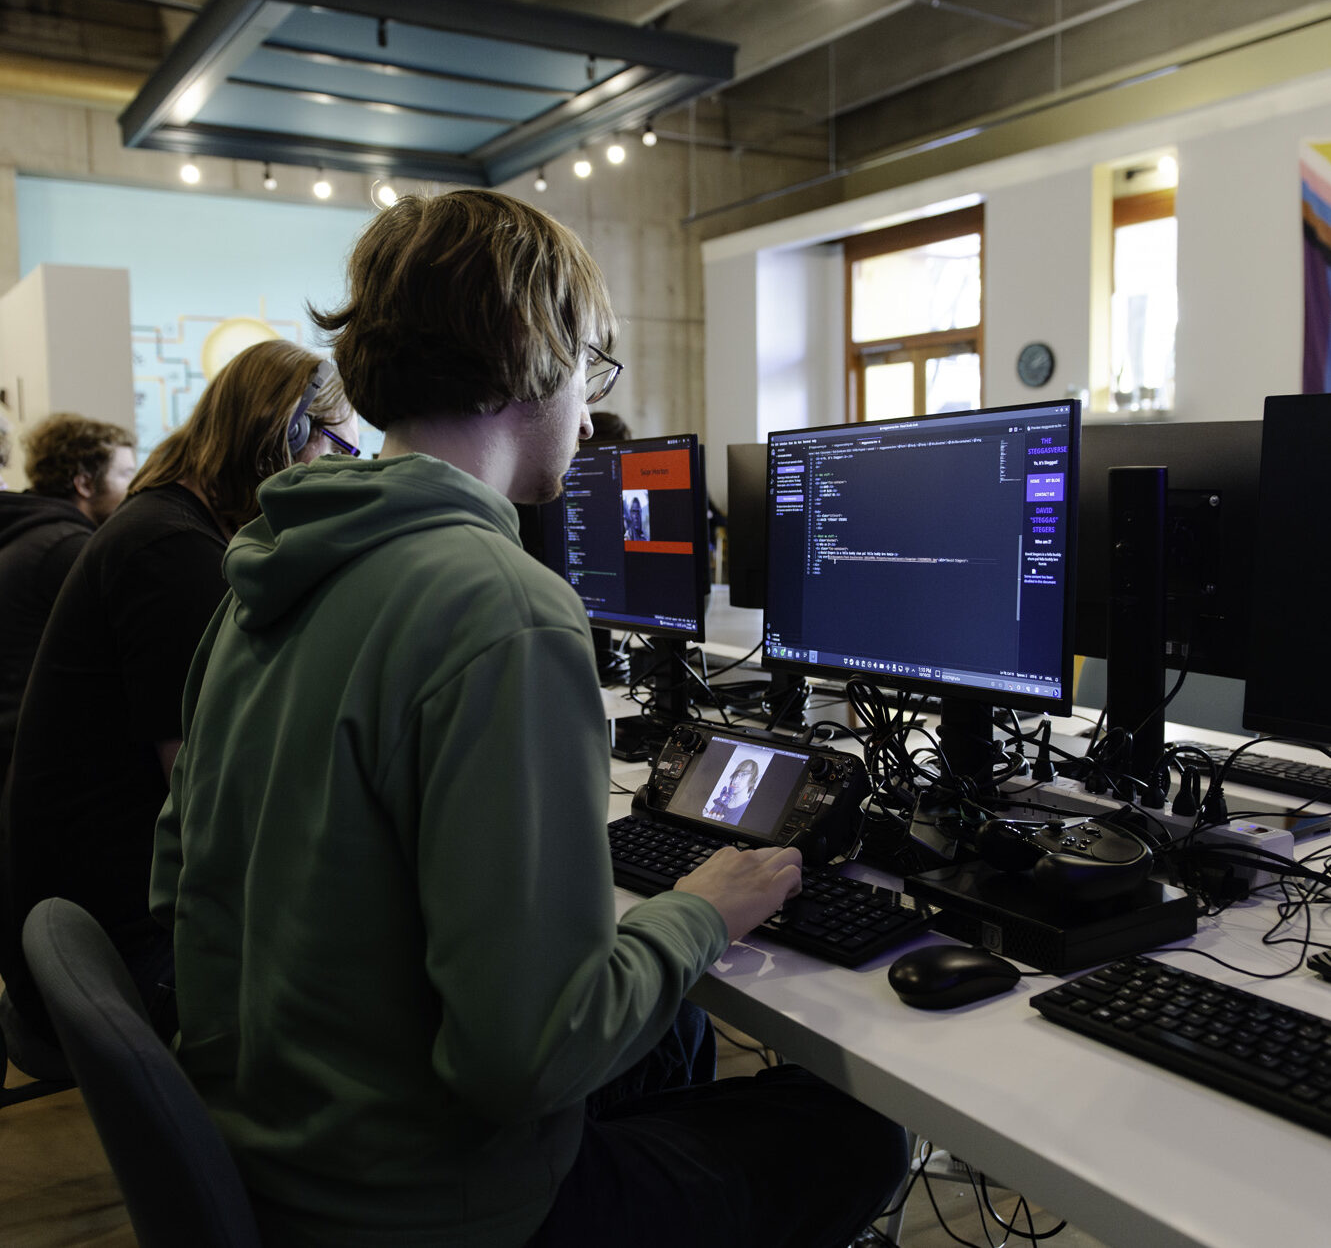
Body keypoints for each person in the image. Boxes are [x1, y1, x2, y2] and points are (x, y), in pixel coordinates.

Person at [150, 190, 907, 1248]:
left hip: (276, 1157)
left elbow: (176, 878)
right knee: (861, 1132)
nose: (591, 415)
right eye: (589, 366)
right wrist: (701, 909)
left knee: (672, 1035)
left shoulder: (258, 580)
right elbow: (523, 1056)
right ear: (529, 351)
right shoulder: (503, 608)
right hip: (440, 1208)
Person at [0, 341, 357, 1045]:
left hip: (90, 922)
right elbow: (205, 802)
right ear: (283, 436)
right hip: (131, 944)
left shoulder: (161, 524)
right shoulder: (173, 553)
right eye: (341, 450)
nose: (346, 475)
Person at [0, 414, 136, 780]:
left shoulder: (34, 533)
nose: (134, 488)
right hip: (34, 760)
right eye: (125, 474)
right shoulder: (68, 549)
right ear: (84, 484)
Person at [704, 758, 760, 826]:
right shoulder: (722, 802)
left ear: (754, 778)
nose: (735, 781)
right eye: (736, 775)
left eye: (743, 775)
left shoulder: (751, 811)